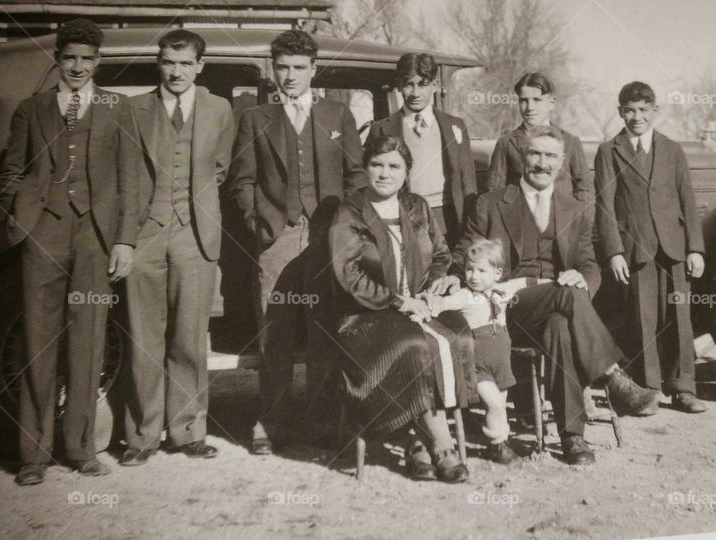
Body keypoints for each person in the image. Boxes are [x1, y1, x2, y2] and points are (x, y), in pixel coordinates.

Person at [454, 126, 661, 466]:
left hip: (558, 305)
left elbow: (589, 265)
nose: (541, 162)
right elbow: (465, 252)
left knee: (560, 327)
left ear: (562, 163)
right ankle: (611, 377)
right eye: (534, 153)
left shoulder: (576, 207)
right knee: (565, 298)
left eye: (550, 156)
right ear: (522, 157)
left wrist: (583, 279)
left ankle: (572, 437)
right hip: (505, 308)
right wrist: (457, 281)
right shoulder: (491, 203)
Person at [0, 19, 137, 485]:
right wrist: (19, 221)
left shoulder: (118, 108)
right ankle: (33, 456)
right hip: (44, 234)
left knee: (89, 340)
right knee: (37, 343)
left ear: (98, 62)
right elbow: (11, 172)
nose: (78, 66)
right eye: (69, 57)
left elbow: (129, 179)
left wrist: (123, 239)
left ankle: (80, 448)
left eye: (87, 59)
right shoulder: (32, 108)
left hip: (95, 238)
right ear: (58, 59)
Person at [228, 30, 367, 455]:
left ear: (313, 69)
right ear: (273, 69)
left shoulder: (337, 114)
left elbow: (356, 175)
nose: (290, 76)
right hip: (278, 235)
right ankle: (271, 422)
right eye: (283, 67)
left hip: (329, 235)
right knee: (277, 330)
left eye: (299, 68)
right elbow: (242, 179)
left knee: (326, 327)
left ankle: (324, 421)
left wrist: (346, 226)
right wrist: (260, 225)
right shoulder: (255, 116)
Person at [118, 30, 235, 466]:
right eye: (169, 62)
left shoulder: (220, 109)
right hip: (146, 232)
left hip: (196, 234)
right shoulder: (134, 109)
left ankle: (187, 431)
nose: (176, 71)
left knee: (189, 337)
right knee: (144, 339)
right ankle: (142, 436)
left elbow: (220, 168)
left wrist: (195, 211)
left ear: (200, 66)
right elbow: (128, 175)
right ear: (159, 63)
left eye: (186, 63)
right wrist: (127, 238)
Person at [329, 135, 475, 483]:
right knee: (412, 346)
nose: (384, 173)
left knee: (459, 335)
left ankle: (417, 443)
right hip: (367, 316)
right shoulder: (349, 212)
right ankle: (441, 445)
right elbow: (348, 275)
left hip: (420, 307)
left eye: (394, 166)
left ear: (407, 171)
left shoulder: (417, 206)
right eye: (377, 164)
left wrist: (434, 287)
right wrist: (397, 301)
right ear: (365, 168)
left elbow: (441, 254)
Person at [594, 81, 707, 414]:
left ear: (655, 111)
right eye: (629, 110)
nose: (636, 117)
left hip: (673, 248)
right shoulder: (609, 151)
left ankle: (683, 387)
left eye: (644, 110)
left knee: (679, 318)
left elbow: (688, 199)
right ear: (620, 112)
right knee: (642, 318)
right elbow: (605, 206)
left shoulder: (672, 149)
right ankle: (649, 389)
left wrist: (695, 249)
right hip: (635, 249)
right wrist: (614, 251)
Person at [425, 238, 550, 464]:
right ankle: (498, 442)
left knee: (500, 404)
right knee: (494, 403)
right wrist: (430, 302)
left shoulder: (502, 291)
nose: (474, 276)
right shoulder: (465, 295)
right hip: (477, 364)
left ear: (497, 273)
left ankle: (498, 445)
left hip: (501, 363)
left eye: (481, 270)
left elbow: (525, 282)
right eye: (470, 269)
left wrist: (552, 280)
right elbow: (444, 304)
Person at [365, 53, 476, 247]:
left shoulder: (455, 126)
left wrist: (471, 225)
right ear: (399, 85)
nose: (416, 93)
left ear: (434, 85)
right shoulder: (381, 129)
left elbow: (468, 180)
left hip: (448, 216)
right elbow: (369, 179)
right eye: (409, 84)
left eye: (423, 84)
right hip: (405, 217)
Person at [485, 73, 590, 209]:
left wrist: (578, 223)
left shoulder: (570, 142)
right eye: (524, 100)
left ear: (551, 103)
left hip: (562, 224)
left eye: (537, 100)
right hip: (520, 222)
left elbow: (584, 189)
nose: (530, 107)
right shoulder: (506, 143)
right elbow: (494, 190)